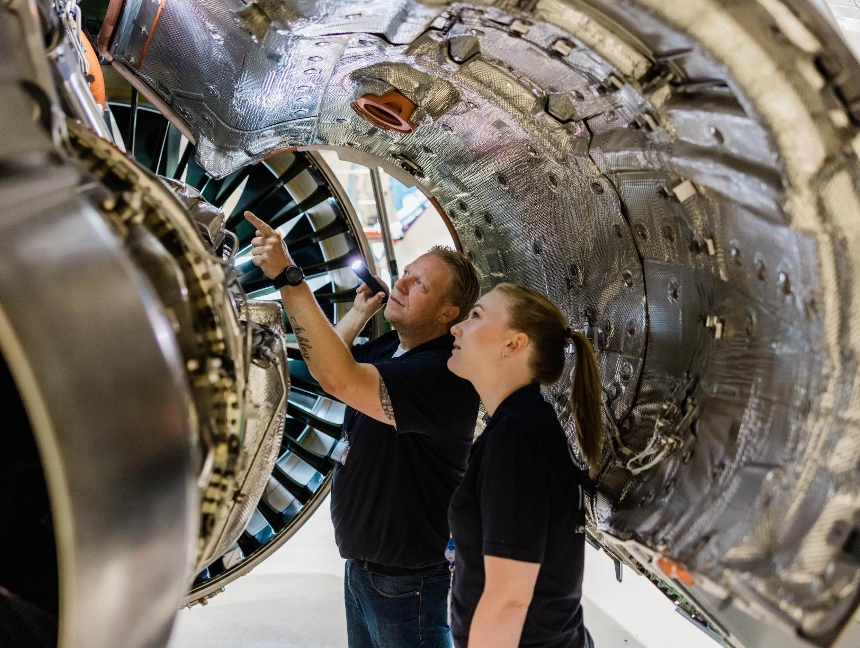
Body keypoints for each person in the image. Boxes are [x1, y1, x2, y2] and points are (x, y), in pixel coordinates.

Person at [244, 211, 481, 648]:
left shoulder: (444, 375)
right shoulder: (397, 346)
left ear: (449, 314)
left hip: (409, 585)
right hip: (364, 572)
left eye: (419, 285)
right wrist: (357, 314)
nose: (402, 284)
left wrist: (290, 278)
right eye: (406, 274)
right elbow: (331, 365)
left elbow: (339, 378)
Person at [446, 283, 604, 648]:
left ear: (514, 344)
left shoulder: (518, 439)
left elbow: (508, 600)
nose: (457, 327)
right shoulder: (520, 426)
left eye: (475, 316)